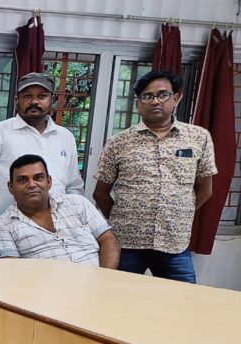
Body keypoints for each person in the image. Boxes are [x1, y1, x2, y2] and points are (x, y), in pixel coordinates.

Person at [93, 70, 217, 283]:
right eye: (147, 96)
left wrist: (180, 212)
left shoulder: (198, 138)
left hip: (174, 243)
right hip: (127, 243)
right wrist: (125, 218)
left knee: (182, 299)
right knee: (118, 297)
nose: (155, 101)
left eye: (163, 94)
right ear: (138, 104)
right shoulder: (119, 142)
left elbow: (206, 189)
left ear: (176, 98)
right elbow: (100, 193)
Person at [0, 72, 85, 226]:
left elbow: (74, 186)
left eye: (41, 96)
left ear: (52, 99)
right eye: (27, 96)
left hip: (57, 227)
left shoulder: (65, 137)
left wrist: (71, 221)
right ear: (17, 100)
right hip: (9, 227)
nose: (34, 101)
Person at [0, 155, 119, 268]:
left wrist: (105, 279)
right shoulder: (3, 225)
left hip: (99, 281)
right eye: (23, 180)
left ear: (49, 182)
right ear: (11, 187)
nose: (31, 184)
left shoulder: (78, 203)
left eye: (38, 178)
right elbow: (12, 269)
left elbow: (108, 240)